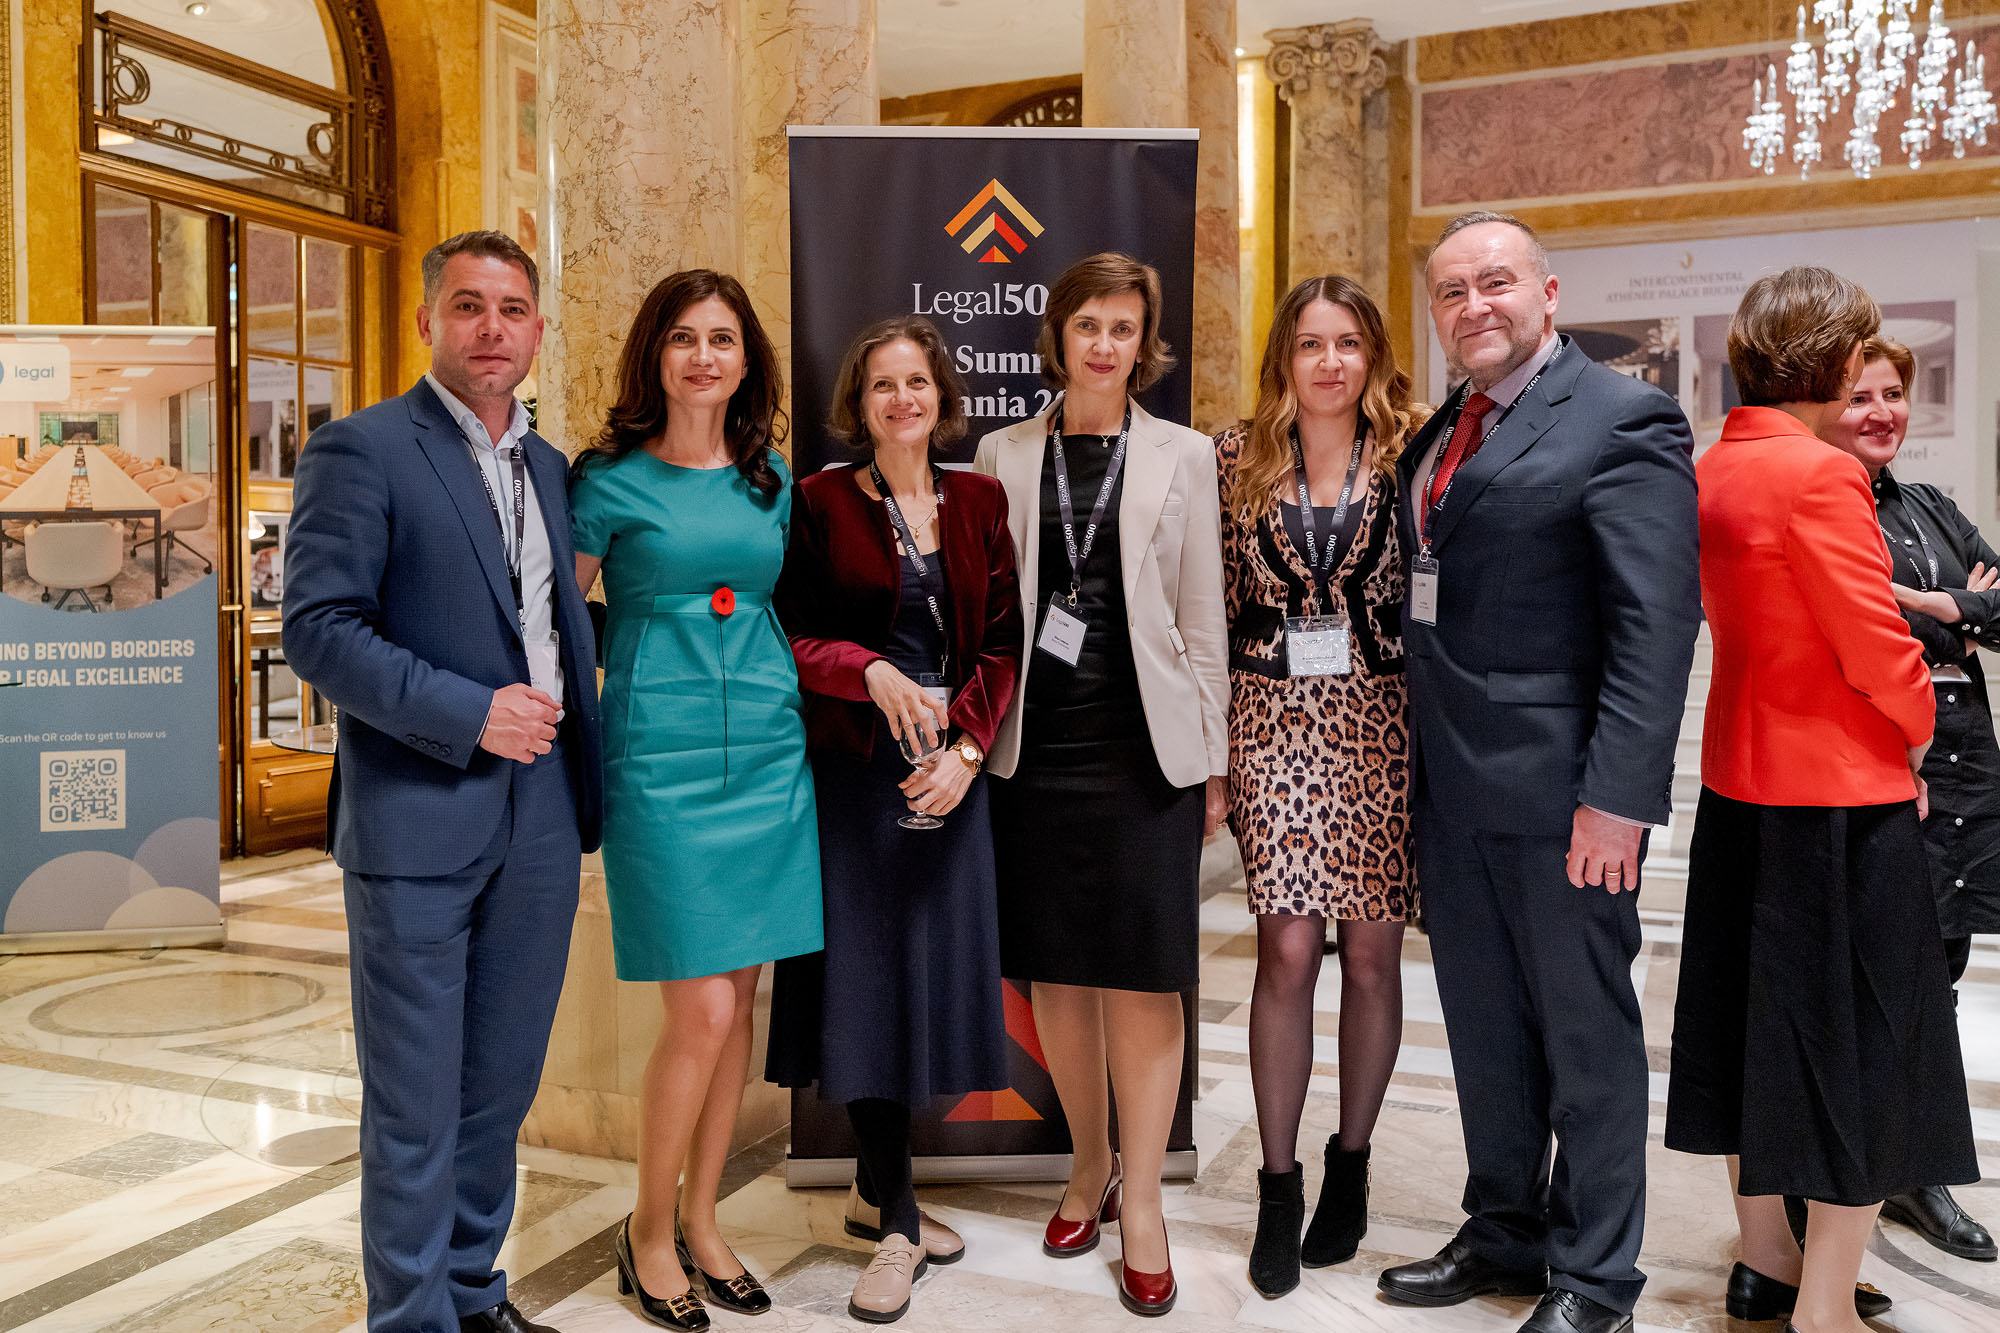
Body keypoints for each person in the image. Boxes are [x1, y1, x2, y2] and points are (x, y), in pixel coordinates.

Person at [1377, 211, 1700, 1333]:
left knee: (1585, 1039)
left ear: (1548, 293)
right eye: (1452, 290)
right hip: (1453, 794)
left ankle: (1595, 1278)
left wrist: (1616, 801)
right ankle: (1505, 1228)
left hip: (1566, 801)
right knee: (1484, 1029)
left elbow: (1654, 627)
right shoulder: (1442, 428)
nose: (1474, 305)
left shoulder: (1623, 418)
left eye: (1496, 282)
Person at [283, 230, 604, 1333]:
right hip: (415, 816)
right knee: (414, 1105)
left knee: (498, 1090)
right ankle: (412, 1318)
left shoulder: (550, 467)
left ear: (538, 331)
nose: (490, 328)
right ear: (427, 321)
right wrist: (470, 713)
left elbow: (540, 622)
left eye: (511, 309)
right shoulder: (362, 449)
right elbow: (320, 630)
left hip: (543, 813)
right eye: (468, 306)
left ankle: (473, 1293)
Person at [1667, 267, 1979, 1333]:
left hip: (1739, 788)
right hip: (1840, 797)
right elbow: (1875, 646)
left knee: (1751, 1036)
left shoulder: (1716, 463)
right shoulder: (1819, 474)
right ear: (1833, 356)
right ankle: (1825, 1307)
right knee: (1867, 1053)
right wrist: (1920, 728)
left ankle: (1764, 1261)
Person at [972, 251, 1229, 1318]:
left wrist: (1213, 763)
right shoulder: (1000, 452)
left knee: (1144, 976)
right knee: (1060, 977)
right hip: (1035, 754)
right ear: (1059, 335)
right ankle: (1088, 1168)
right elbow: (987, 610)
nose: (1105, 344)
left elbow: (1203, 615)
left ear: (1143, 343)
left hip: (1143, 753)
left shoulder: (1184, 454)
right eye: (1088, 324)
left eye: (1124, 327)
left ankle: (1145, 1207)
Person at [569, 270, 822, 1332]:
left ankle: (705, 1221)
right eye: (683, 337)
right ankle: (646, 1229)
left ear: (745, 359)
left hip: (765, 752)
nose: (703, 356)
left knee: (740, 1005)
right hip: (659, 761)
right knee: (703, 1009)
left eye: (722, 338)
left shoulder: (770, 480)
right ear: (655, 356)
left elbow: (788, 610)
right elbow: (552, 621)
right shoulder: (605, 481)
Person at [767, 315, 1023, 1323]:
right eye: (882, 384)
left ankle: (874, 1192)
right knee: (868, 988)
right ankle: (900, 1225)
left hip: (948, 777)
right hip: (856, 778)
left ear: (941, 397)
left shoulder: (980, 500)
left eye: (917, 382)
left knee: (929, 984)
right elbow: (789, 633)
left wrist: (967, 752)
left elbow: (1002, 643)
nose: (901, 399)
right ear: (859, 403)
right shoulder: (820, 499)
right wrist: (866, 669)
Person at [1215, 275, 1424, 1299]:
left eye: (1347, 343)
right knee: (1287, 949)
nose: (1329, 362)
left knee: (1373, 957)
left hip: (1383, 726)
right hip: (1272, 723)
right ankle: (1276, 1185)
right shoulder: (1234, 459)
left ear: (1371, 355)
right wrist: (1212, 756)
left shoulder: (1412, 457)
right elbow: (1208, 602)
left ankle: (1350, 1164)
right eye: (1309, 343)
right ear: (1283, 360)